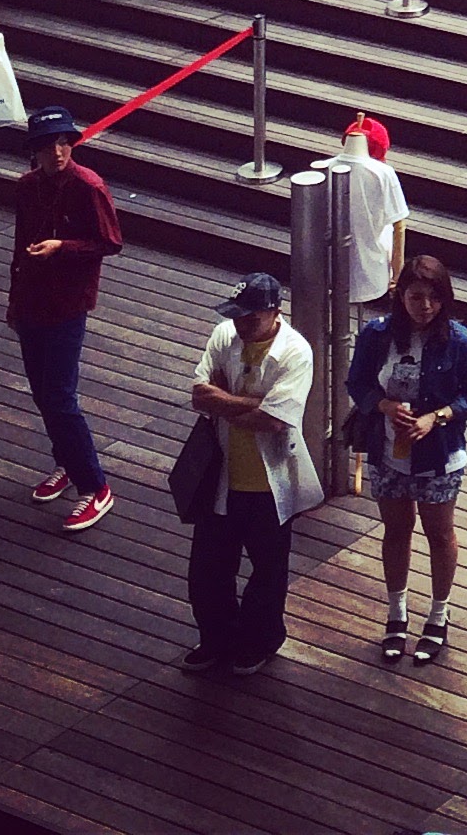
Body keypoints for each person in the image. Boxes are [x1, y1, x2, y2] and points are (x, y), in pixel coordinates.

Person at [347, 252, 467, 667]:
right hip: (388, 451)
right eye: (416, 297)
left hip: (439, 454)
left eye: (434, 298)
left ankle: (439, 615)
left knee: (439, 533)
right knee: (396, 529)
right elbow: (357, 382)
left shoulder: (460, 341)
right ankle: (397, 614)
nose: (425, 306)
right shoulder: (377, 335)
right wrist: (384, 405)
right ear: (400, 295)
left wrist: (436, 417)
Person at [184, 270, 322, 676]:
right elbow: (199, 395)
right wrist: (253, 403)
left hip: (267, 484)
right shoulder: (224, 334)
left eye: (251, 317)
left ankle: (258, 642)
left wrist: (225, 400)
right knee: (207, 571)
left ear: (275, 312)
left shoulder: (296, 352)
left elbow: (274, 421)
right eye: (237, 315)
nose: (241, 324)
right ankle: (216, 640)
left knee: (268, 574)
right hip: (221, 475)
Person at [9, 105, 122, 533]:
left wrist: (63, 247)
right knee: (43, 392)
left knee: (59, 397)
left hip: (67, 304)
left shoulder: (88, 186)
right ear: (35, 151)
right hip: (32, 301)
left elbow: (110, 242)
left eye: (63, 142)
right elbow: (20, 243)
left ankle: (95, 486)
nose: (57, 152)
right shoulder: (27, 187)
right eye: (47, 145)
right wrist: (14, 300)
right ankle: (68, 462)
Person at [339, 113, 409, 305]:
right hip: (374, 269)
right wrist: (397, 273)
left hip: (330, 266)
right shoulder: (384, 173)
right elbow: (399, 226)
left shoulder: (324, 168)